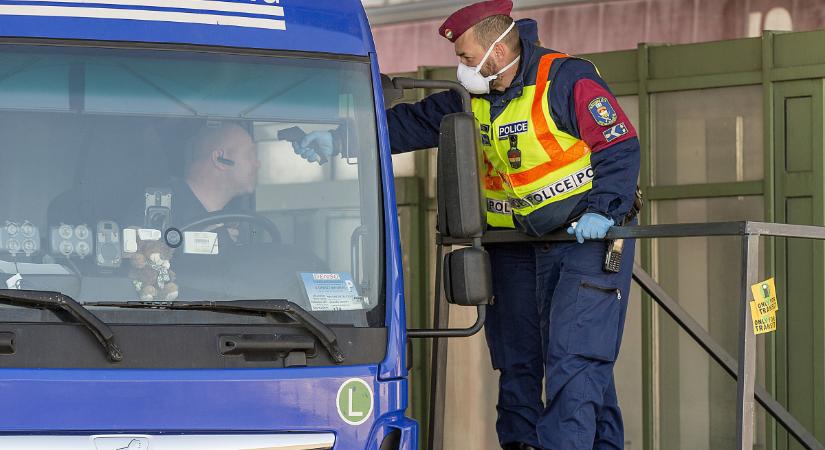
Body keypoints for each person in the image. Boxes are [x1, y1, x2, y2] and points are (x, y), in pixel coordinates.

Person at [293, 1, 640, 449]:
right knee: (518, 363)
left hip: (583, 241)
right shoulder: (470, 98)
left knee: (575, 362)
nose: (462, 68)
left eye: (466, 57)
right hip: (514, 246)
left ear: (497, 50)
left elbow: (618, 145)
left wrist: (605, 210)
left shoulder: (566, 79)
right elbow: (407, 124)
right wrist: (340, 138)